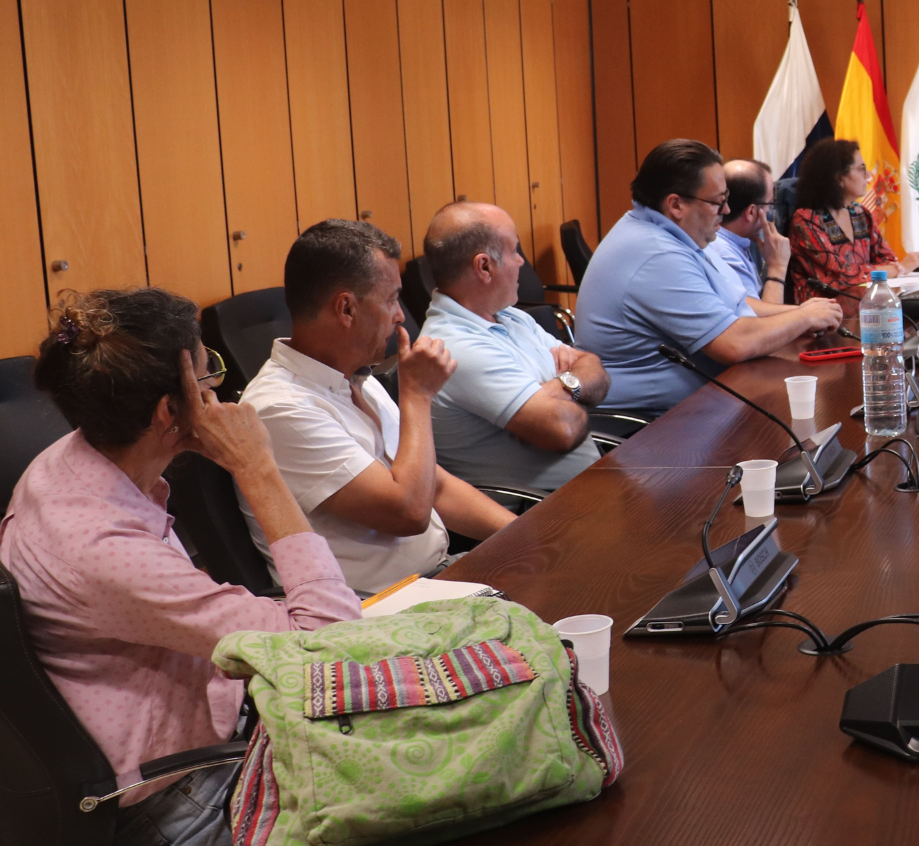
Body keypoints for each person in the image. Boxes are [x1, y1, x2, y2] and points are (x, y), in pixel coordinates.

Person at [0, 289, 361, 844]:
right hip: (188, 798)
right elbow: (331, 649)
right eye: (208, 368)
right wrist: (257, 466)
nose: (218, 384)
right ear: (172, 409)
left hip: (219, 733)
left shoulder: (64, 459)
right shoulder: (98, 544)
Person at [240, 220, 515, 597]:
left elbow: (436, 487)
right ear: (347, 308)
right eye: (390, 300)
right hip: (376, 610)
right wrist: (416, 394)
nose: (400, 314)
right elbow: (409, 512)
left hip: (438, 578)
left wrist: (527, 534)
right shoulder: (279, 409)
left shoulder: (356, 378)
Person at [577, 139, 843, 415]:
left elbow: (741, 306)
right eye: (718, 202)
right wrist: (802, 318)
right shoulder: (655, 254)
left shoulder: (677, 235)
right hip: (657, 428)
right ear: (677, 205)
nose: (727, 211)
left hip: (707, 404)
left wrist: (800, 313)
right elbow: (733, 343)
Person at [417, 202, 609, 498]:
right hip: (536, 516)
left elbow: (594, 367)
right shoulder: (455, 347)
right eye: (514, 251)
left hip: (584, 491)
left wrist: (557, 389)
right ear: (484, 266)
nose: (521, 262)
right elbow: (563, 429)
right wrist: (577, 390)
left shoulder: (510, 315)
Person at [786, 137, 919, 306]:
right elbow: (841, 276)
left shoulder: (860, 214)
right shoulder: (806, 220)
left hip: (865, 306)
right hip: (822, 316)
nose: (867, 175)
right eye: (861, 169)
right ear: (839, 178)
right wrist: (898, 269)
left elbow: (887, 258)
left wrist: (896, 267)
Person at [707, 158, 798, 310]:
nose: (770, 211)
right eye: (769, 204)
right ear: (751, 212)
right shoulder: (724, 254)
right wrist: (777, 267)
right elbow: (766, 327)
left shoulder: (731, 242)